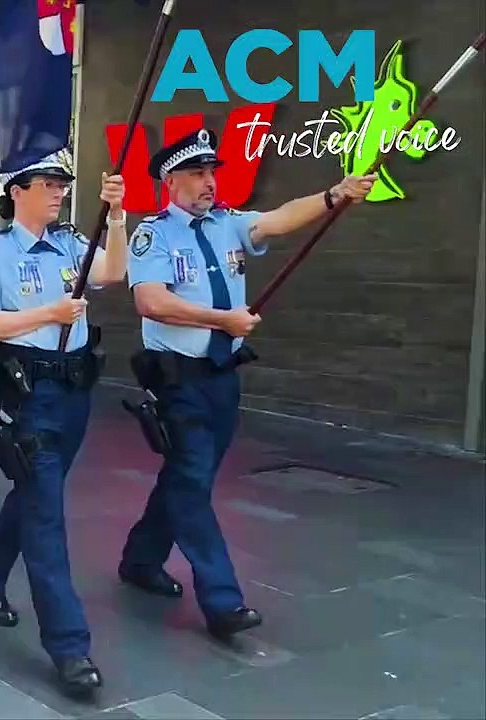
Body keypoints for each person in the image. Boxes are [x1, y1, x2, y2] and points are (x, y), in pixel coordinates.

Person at [119, 129, 376, 638]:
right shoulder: (153, 234)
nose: (209, 182)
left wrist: (333, 195)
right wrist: (221, 321)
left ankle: (140, 559)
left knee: (186, 478)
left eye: (211, 172)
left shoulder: (227, 224)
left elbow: (277, 220)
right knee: (191, 483)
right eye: (196, 174)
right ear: (169, 182)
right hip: (180, 382)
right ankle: (223, 601)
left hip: (222, 379)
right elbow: (151, 302)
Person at [0, 154, 127, 698]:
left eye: (62, 185)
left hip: (72, 391)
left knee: (34, 497)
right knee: (47, 518)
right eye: (48, 184)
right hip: (26, 393)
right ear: (18, 191)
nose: (57, 193)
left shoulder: (73, 243)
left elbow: (114, 273)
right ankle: (70, 646)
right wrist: (45, 315)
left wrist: (118, 217)